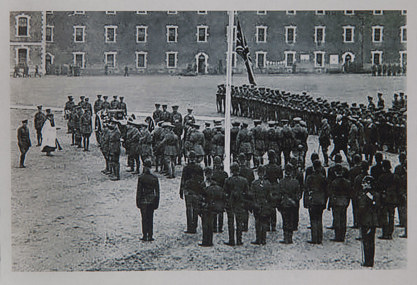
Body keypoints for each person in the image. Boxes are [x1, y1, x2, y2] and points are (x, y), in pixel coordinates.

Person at [223, 163, 249, 246]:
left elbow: (225, 193)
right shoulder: (244, 180)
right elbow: (247, 193)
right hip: (240, 202)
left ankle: (231, 240)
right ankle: (239, 240)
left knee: (230, 222)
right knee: (239, 221)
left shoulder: (228, 180)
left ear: (231, 170)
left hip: (231, 203)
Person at [357, 175, 380, 267]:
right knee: (370, 241)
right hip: (372, 220)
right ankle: (370, 260)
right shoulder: (375, 194)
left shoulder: (366, 195)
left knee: (366, 241)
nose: (363, 184)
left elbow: (362, 208)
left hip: (366, 220)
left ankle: (368, 261)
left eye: (365, 183)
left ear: (369, 184)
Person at [180, 151, 204, 234]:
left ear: (189, 158)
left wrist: (181, 190)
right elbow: (202, 180)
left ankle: (190, 226)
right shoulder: (199, 168)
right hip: (197, 191)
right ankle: (195, 226)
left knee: (189, 209)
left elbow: (183, 180)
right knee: (196, 209)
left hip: (188, 191)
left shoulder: (186, 168)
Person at [199, 167, 225, 246]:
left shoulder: (210, 184)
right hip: (207, 206)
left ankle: (207, 241)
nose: (208, 176)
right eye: (207, 174)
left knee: (208, 225)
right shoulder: (203, 184)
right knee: (206, 224)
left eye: (209, 174)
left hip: (209, 206)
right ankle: (207, 240)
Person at [304, 160, 327, 244]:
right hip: (321, 200)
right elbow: (326, 190)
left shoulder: (309, 177)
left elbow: (306, 189)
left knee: (313, 219)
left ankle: (314, 238)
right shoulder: (323, 177)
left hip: (313, 199)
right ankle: (320, 238)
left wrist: (306, 202)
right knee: (319, 219)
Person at [136, 159, 160, 241]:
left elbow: (139, 191)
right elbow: (157, 192)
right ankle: (150, 235)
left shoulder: (141, 178)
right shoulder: (154, 178)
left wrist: (137, 201)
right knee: (150, 218)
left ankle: (144, 235)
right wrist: (157, 202)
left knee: (144, 218)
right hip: (152, 200)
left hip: (143, 200)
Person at [278, 164, 301, 244]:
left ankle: (285, 237)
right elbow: (298, 194)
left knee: (285, 220)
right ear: (291, 172)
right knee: (291, 220)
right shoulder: (295, 182)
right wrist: (294, 200)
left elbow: (279, 194)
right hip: (292, 204)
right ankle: (290, 237)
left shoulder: (281, 182)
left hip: (284, 203)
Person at [327, 164, 351, 242]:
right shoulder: (347, 182)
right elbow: (349, 193)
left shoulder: (334, 182)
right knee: (343, 218)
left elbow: (331, 194)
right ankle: (342, 235)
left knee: (337, 219)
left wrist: (329, 204)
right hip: (344, 202)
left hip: (336, 202)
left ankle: (337, 236)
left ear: (336, 173)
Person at [250, 165, 273, 245]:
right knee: (264, 222)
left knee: (257, 221)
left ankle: (258, 238)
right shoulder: (268, 183)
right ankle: (264, 239)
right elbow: (270, 196)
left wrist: (254, 204)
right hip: (265, 204)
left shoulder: (254, 183)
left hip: (257, 204)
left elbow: (252, 195)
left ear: (258, 173)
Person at [394, 153, 407, 238]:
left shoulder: (398, 168)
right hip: (404, 190)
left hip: (400, 190)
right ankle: (402, 222)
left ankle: (402, 221)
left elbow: (395, 178)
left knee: (401, 207)